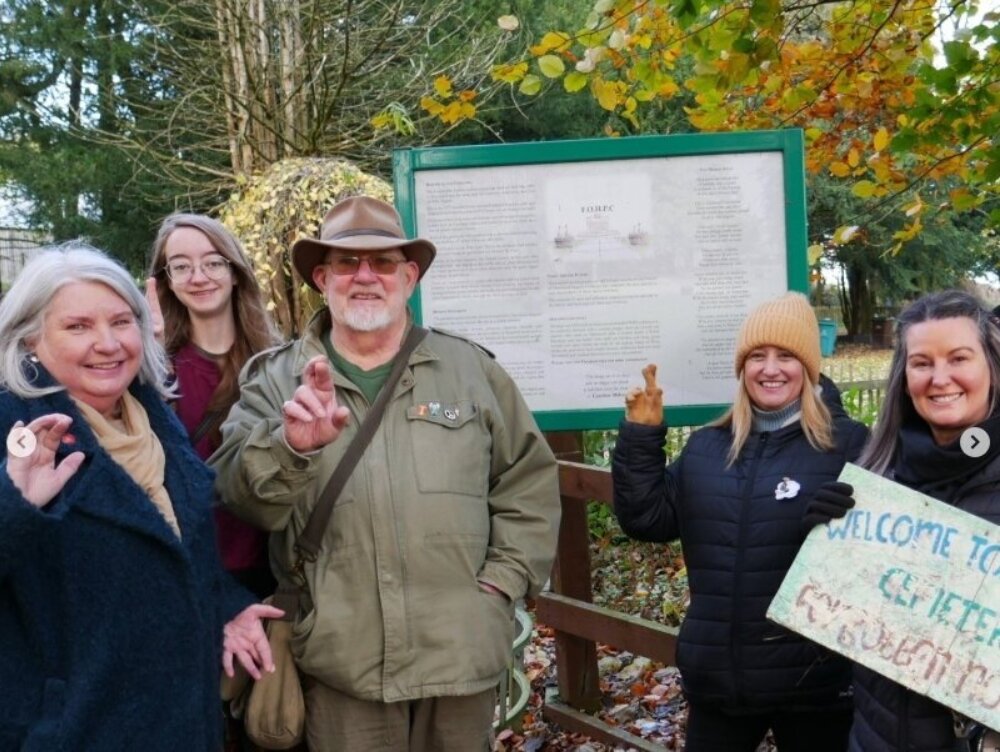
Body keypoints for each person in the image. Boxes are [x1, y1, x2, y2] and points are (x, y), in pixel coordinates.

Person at [209, 195, 561, 751]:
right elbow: (235, 496)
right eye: (347, 263)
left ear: (409, 277)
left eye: (383, 262)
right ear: (322, 278)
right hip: (340, 658)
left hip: (459, 650)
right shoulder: (275, 380)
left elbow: (528, 482)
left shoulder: (471, 370)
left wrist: (502, 584)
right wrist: (290, 447)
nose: (365, 276)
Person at [0, 244, 281, 751]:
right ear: (30, 339)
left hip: (182, 721)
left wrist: (227, 606)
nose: (108, 344)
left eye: (121, 321)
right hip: (75, 730)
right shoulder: (12, 432)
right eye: (78, 326)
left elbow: (171, 555)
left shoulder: (152, 417)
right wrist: (11, 505)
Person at [612, 291, 869, 752]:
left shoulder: (847, 445)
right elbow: (647, 519)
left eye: (786, 356)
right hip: (720, 682)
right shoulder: (708, 447)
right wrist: (641, 437)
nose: (770, 369)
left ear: (808, 367)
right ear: (741, 367)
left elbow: (883, 555)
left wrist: (843, 529)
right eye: (756, 356)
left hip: (814, 686)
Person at [802, 290, 1000, 751]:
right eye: (922, 363)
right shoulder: (879, 480)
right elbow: (842, 637)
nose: (940, 378)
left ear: (991, 365)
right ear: (904, 377)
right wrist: (824, 551)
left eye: (959, 358)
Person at [147, 213, 282, 599]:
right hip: (188, 573)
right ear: (167, 280)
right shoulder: (156, 371)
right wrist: (146, 367)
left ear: (235, 271)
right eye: (181, 266)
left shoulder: (279, 365)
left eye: (212, 262)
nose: (198, 276)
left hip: (273, 572)